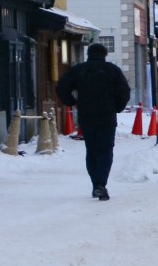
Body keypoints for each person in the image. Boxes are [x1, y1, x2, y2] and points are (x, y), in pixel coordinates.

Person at [56, 43, 132, 200]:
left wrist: (71, 101)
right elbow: (124, 91)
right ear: (105, 54)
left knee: (92, 149)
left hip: (86, 115)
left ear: (88, 54)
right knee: (105, 149)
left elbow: (62, 86)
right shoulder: (112, 70)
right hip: (107, 115)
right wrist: (117, 107)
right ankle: (100, 184)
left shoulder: (79, 70)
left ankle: (95, 184)